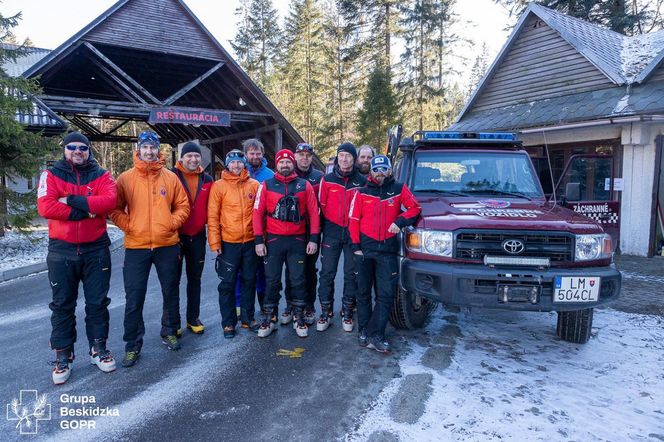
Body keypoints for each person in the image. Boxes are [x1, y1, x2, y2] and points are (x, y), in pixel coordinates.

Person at [37, 132, 118, 384]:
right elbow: (46, 207)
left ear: (88, 150)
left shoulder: (102, 175)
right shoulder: (50, 175)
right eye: (72, 147)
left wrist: (71, 200)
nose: (77, 151)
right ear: (64, 149)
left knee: (97, 303)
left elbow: (109, 201)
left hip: (96, 250)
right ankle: (64, 355)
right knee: (62, 305)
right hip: (62, 251)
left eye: (82, 147)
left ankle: (98, 348)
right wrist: (86, 211)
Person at [110, 131, 190, 367]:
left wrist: (170, 224)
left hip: (167, 245)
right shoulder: (125, 178)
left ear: (158, 150)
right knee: (134, 297)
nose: (149, 152)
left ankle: (170, 331)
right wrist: (130, 226)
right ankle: (132, 344)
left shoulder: (170, 178)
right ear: (139, 149)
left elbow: (183, 206)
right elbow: (114, 209)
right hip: (137, 246)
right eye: (145, 147)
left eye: (152, 147)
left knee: (170, 291)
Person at [349, 155, 421, 353]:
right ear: (370, 172)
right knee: (363, 293)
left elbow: (415, 208)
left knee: (386, 294)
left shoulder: (398, 188)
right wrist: (355, 246)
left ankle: (376, 333)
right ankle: (363, 330)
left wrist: (400, 221)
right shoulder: (362, 192)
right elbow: (353, 220)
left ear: (390, 170)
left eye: (383, 169)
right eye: (376, 170)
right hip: (364, 249)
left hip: (388, 251)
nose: (380, 174)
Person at [253, 149, 320, 338]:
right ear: (277, 164)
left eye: (288, 162)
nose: (285, 165)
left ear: (293, 164)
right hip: (273, 240)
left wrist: (313, 239)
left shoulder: (303, 185)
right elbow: (257, 213)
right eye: (281, 162)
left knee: (298, 280)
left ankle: (298, 316)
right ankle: (269, 317)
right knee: (272, 280)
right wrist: (259, 240)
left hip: (298, 240)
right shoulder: (266, 185)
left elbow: (314, 213)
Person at [208, 150, 260, 338]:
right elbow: (212, 217)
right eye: (233, 163)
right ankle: (228, 323)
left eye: (239, 162)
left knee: (249, 280)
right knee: (227, 284)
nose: (236, 166)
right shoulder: (218, 186)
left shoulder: (254, 185)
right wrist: (215, 242)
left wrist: (261, 240)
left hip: (250, 241)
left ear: (244, 164)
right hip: (229, 242)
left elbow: (260, 213)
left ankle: (248, 318)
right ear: (227, 165)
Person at [316, 142, 366, 332]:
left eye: (348, 156)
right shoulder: (327, 179)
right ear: (338, 158)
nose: (344, 159)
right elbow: (321, 206)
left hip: (353, 233)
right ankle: (326, 311)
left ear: (354, 159)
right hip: (332, 232)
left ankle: (347, 311)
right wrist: (317, 234)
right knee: (327, 273)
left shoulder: (361, 181)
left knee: (351, 273)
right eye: (341, 155)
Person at [172, 141, 213, 335]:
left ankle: (193, 317)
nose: (193, 159)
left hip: (197, 236)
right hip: (175, 236)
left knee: (194, 278)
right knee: (172, 280)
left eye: (196, 156)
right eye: (189, 156)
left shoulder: (207, 179)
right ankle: (173, 322)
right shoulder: (172, 176)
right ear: (182, 158)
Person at [280, 142, 324, 326]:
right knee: (292, 270)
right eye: (301, 155)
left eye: (308, 155)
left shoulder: (319, 177)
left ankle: (309, 305)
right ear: (295, 157)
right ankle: (290, 304)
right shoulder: (288, 175)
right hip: (292, 231)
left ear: (311, 158)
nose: (304, 158)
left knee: (309, 270)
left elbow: (322, 204)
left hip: (311, 230)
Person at [238, 138, 274, 311]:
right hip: (241, 230)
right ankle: (241, 306)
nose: (255, 156)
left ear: (262, 154)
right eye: (251, 153)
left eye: (258, 153)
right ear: (245, 155)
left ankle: (264, 304)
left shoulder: (270, 175)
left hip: (264, 231)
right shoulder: (238, 172)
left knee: (262, 270)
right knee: (241, 271)